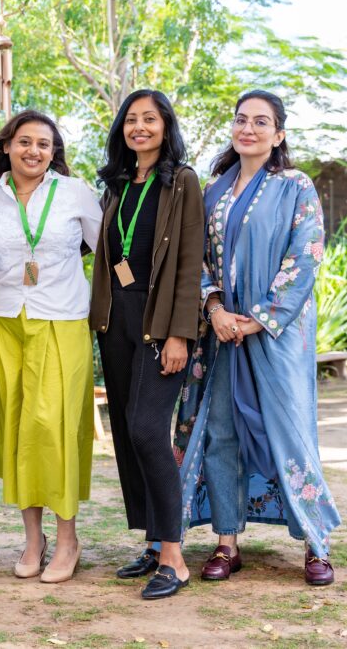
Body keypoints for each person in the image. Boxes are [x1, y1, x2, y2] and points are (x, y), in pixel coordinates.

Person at [174, 90, 341, 586]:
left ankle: (316, 542)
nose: (248, 128)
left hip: (276, 335)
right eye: (242, 120)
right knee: (221, 432)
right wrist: (216, 308)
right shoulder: (213, 192)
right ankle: (227, 541)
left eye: (261, 122)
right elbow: (196, 261)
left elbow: (305, 255)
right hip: (222, 334)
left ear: (279, 134)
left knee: (289, 429)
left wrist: (260, 318)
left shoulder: (296, 186)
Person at [0, 110, 102, 583]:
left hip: (62, 321)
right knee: (17, 430)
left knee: (55, 428)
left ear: (54, 152)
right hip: (2, 322)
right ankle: (32, 539)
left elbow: (107, 253)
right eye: (25, 142)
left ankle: (68, 540)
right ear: (7, 146)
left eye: (44, 144)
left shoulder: (75, 193)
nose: (34, 151)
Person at [88, 89, 204, 599]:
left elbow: (187, 262)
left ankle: (175, 558)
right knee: (127, 435)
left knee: (147, 430)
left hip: (160, 322)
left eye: (149, 119)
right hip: (116, 321)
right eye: (131, 120)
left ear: (165, 126)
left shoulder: (181, 182)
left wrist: (180, 332)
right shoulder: (114, 185)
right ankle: (154, 543)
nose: (139, 127)